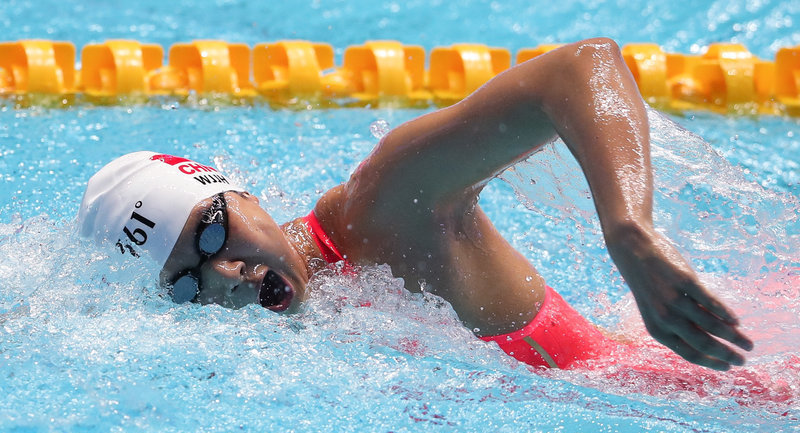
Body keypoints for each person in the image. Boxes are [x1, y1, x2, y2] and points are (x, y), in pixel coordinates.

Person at [78, 37, 753, 372]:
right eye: (186, 283)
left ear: (235, 188)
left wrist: (628, 230)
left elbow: (583, 68)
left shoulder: (385, 208)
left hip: (726, 386)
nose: (226, 273)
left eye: (210, 230)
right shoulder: (281, 343)